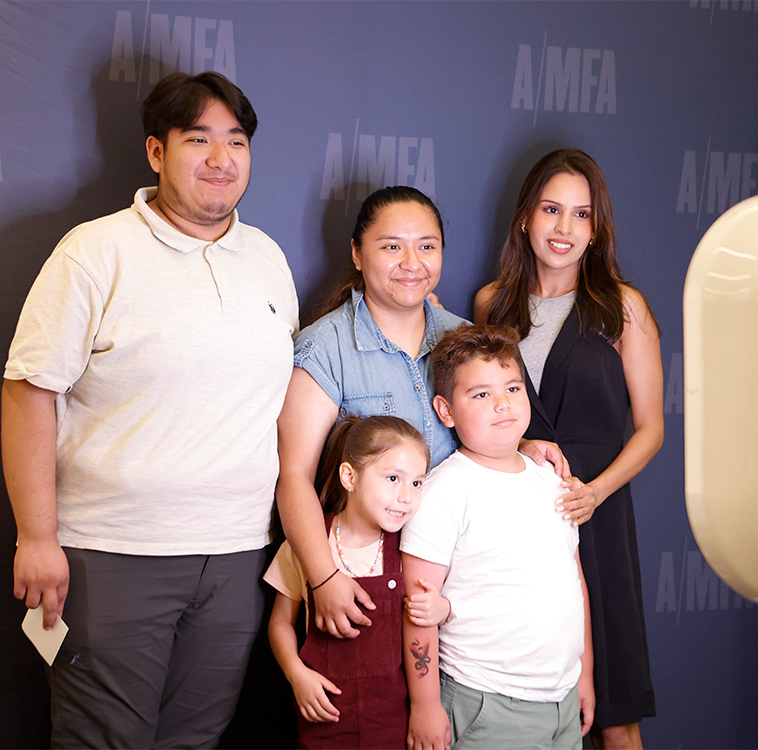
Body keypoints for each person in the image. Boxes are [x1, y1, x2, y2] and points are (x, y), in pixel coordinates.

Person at [1, 71, 299, 748]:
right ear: (156, 152)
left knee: (195, 739)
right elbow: (28, 392)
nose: (221, 159)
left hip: (235, 554)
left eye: (236, 140)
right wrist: (37, 538)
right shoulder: (93, 252)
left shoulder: (268, 259)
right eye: (199, 139)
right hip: (111, 553)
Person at [277, 186, 567, 642]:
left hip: (453, 583)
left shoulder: (464, 337)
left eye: (426, 247)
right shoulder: (323, 348)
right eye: (392, 246)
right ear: (356, 253)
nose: (411, 263)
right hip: (363, 580)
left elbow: (481, 430)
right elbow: (294, 475)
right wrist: (324, 576)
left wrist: (522, 446)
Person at [475, 149, 664, 749]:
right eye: (552, 210)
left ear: (596, 229)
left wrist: (596, 492)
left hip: (599, 521)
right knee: (524, 709)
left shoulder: (623, 308)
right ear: (526, 217)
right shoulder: (491, 304)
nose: (564, 228)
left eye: (581, 215)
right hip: (515, 527)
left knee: (614, 715)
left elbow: (652, 428)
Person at [401, 323, 594, 750]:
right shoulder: (444, 491)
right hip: (485, 702)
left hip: (561, 699)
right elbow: (418, 608)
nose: (502, 404)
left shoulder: (551, 479)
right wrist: (426, 704)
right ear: (446, 410)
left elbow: (574, 585)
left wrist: (585, 674)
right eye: (481, 394)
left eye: (512, 388)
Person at [266, 415, 450, 749]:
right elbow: (280, 622)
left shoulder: (409, 547)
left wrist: (444, 608)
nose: (407, 496)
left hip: (395, 724)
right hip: (324, 722)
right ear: (350, 477)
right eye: (393, 478)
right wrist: (296, 674)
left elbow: (434, 610)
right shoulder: (308, 544)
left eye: (417, 483)